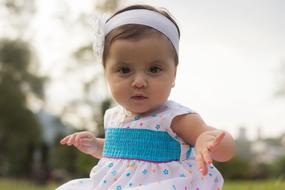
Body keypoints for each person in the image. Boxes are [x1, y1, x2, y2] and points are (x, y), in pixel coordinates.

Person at [56, 4, 235, 190]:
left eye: (154, 69)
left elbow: (224, 148)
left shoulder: (175, 117)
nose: (139, 82)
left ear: (173, 74)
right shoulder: (113, 117)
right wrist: (96, 146)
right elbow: (120, 153)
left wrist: (207, 140)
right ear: (106, 74)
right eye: (124, 70)